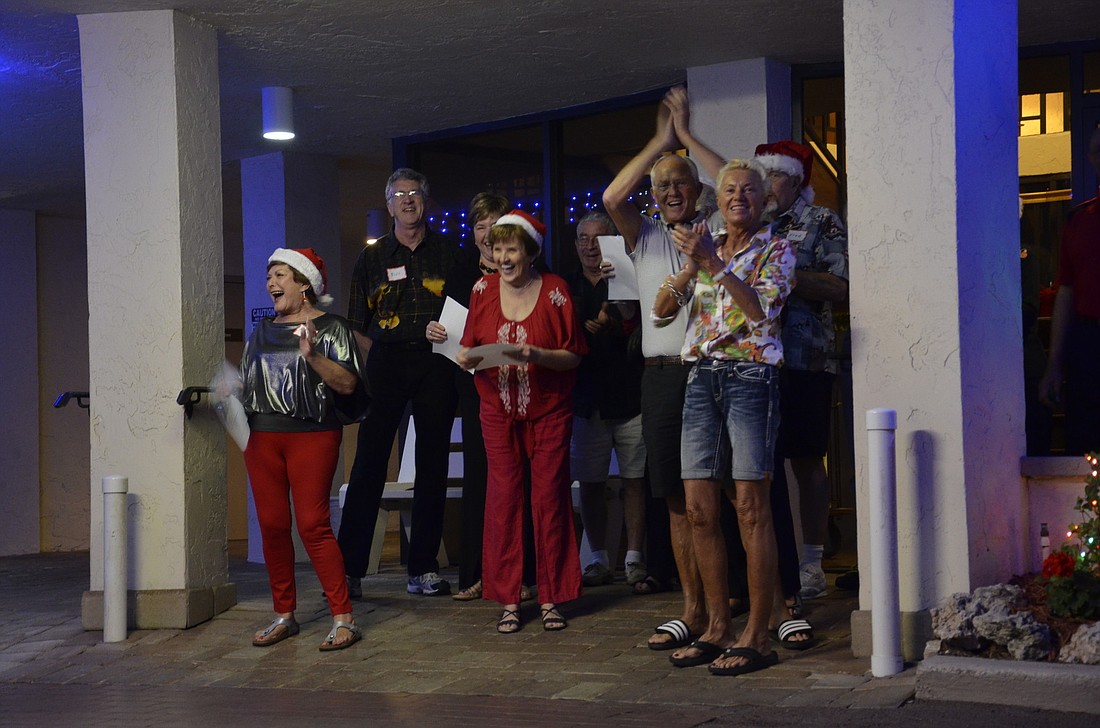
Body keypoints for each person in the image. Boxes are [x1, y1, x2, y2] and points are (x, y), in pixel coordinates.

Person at [652, 158, 795, 676]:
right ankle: (717, 628)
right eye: (730, 188)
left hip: (752, 378)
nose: (738, 196)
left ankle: (758, 634)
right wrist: (692, 266)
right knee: (699, 511)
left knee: (751, 509)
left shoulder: (777, 248)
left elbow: (760, 311)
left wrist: (713, 263)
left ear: (764, 199)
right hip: (699, 379)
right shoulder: (706, 243)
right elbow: (661, 310)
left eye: (749, 190)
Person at [339, 168, 474, 598]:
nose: (408, 200)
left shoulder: (450, 252)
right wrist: (376, 361)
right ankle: (350, 572)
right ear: (389, 203)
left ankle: (422, 570)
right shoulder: (373, 257)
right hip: (386, 364)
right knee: (368, 467)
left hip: (436, 365)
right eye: (400, 194)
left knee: (432, 465)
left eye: (415, 193)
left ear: (425, 201)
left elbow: (463, 313)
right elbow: (359, 323)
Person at [457, 210, 587, 634]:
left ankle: (551, 596)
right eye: (498, 249)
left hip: (548, 409)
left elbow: (573, 355)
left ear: (530, 252)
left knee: (548, 499)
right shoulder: (481, 290)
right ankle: (509, 599)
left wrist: (537, 355)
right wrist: (465, 357)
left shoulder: (556, 292)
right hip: (497, 409)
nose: (503, 257)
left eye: (512, 248)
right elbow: (470, 347)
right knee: (503, 501)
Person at [240, 247, 367, 651]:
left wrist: (312, 356)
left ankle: (343, 618)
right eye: (269, 277)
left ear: (304, 284)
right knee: (273, 526)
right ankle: (284, 615)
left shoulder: (332, 327)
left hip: (312, 435)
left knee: (313, 525)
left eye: (279, 275)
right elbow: (250, 380)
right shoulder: (261, 331)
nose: (271, 284)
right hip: (262, 436)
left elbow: (348, 385)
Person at [425, 192, 537, 603]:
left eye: (495, 224)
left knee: (518, 479)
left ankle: (524, 575)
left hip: (520, 387)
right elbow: (447, 328)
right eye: (480, 226)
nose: (488, 234)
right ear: (473, 235)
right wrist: (433, 332)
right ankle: (477, 574)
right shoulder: (460, 275)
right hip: (475, 389)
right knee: (480, 480)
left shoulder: (528, 274)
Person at [753, 140, 849, 600]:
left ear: (796, 181)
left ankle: (812, 562)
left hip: (807, 359)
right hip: (756, 362)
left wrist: (785, 274)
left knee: (807, 460)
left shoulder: (821, 221)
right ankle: (774, 564)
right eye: (762, 177)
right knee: (762, 467)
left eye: (774, 177)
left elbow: (840, 286)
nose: (766, 187)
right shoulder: (750, 226)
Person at [569, 211, 648, 589]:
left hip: (630, 395)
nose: (588, 245)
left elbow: (643, 326)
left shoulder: (627, 279)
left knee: (635, 480)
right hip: (585, 400)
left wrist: (616, 325)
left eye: (597, 238)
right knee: (591, 482)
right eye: (583, 238)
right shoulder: (565, 288)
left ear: (612, 242)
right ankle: (597, 558)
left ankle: (634, 558)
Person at [1039, 125, 1100, 455]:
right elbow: (1065, 293)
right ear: (1091, 159)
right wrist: (1054, 366)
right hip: (1089, 346)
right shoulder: (1078, 221)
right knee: (1084, 443)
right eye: (1099, 151)